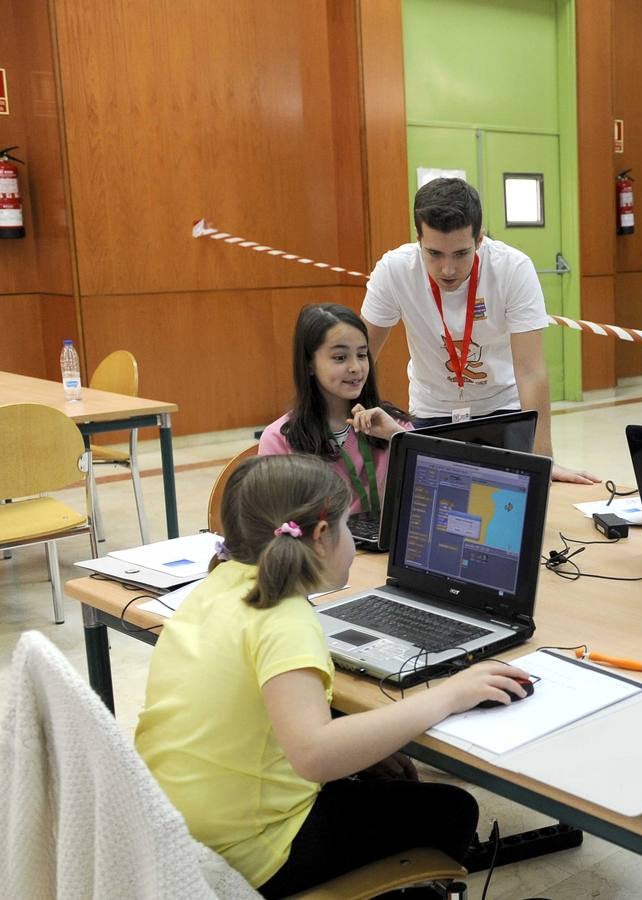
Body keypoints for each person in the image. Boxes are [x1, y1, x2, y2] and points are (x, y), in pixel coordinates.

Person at [135, 455, 532, 896]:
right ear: (322, 537)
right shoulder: (284, 618)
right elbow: (315, 756)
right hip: (249, 851)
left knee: (368, 783)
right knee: (451, 809)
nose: (354, 542)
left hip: (171, 823)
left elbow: (258, 719)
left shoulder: (214, 588)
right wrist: (449, 695)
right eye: (348, 526)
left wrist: (362, 746)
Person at [360, 177, 597, 483]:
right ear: (417, 239)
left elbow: (530, 370)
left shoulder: (512, 269)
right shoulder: (394, 270)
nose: (447, 269)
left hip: (502, 405)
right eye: (434, 254)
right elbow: (363, 356)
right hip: (432, 407)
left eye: (460, 254)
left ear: (480, 239)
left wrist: (544, 459)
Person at [259, 303, 408, 516]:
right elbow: (275, 521)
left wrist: (397, 437)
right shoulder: (279, 439)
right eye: (340, 357)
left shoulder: (392, 424)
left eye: (362, 355)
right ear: (309, 364)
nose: (356, 367)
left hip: (387, 549)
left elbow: (428, 497)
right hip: (319, 548)